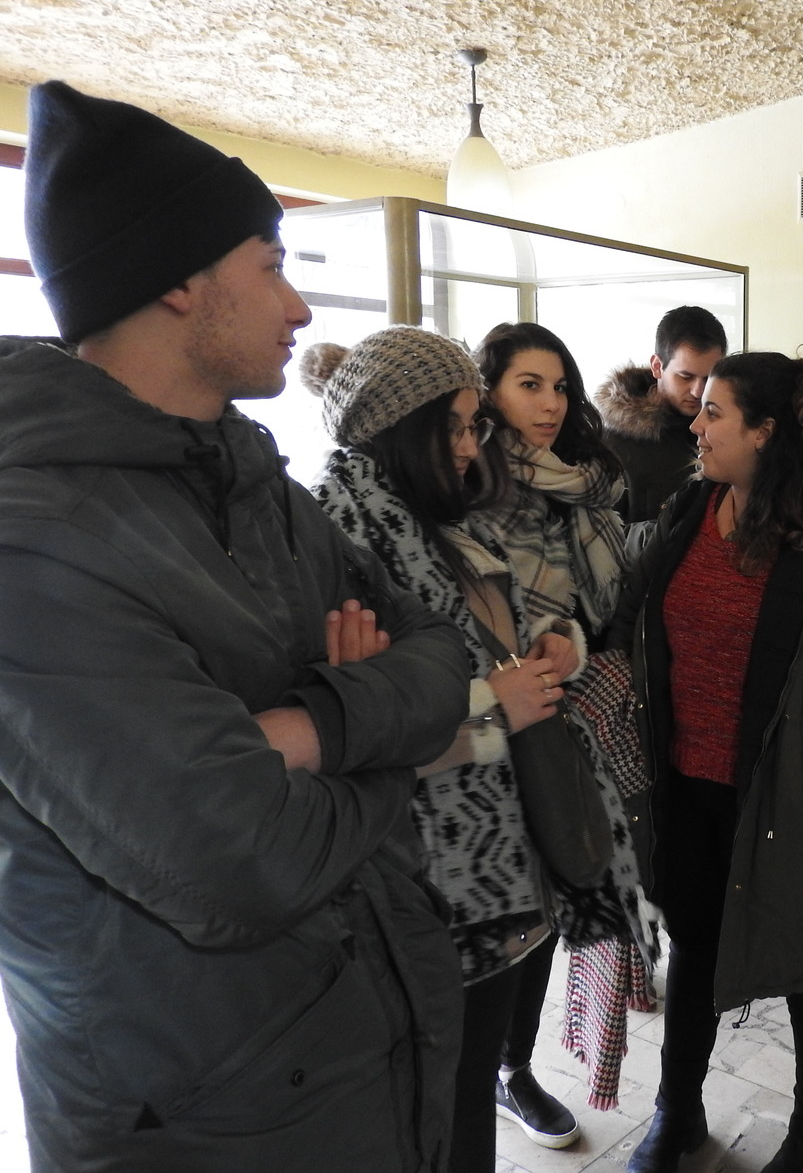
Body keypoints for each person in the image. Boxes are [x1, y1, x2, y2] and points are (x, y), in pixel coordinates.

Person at [0, 82, 469, 1171]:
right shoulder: (33, 541)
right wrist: (384, 743)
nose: (299, 311)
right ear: (177, 280)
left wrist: (305, 733)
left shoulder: (255, 484)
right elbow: (243, 861)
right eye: (271, 265)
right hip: (204, 1116)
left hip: (360, 1047)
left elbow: (442, 656)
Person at [607, 348, 803, 1173]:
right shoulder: (693, 507)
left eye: (715, 413)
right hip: (689, 784)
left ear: (765, 431)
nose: (696, 426)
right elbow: (636, 610)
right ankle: (677, 1114)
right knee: (695, 948)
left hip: (787, 795)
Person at [310, 326, 578, 1173]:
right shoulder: (337, 536)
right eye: (454, 427)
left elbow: (489, 638)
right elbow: (352, 730)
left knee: (463, 1098)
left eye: (473, 425)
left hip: (485, 869)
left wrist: (552, 645)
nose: (470, 447)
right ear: (400, 427)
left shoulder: (424, 518)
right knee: (435, 1107)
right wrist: (496, 707)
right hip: (423, 879)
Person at [472, 320, 631, 1144]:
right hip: (471, 730)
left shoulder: (577, 487)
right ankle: (479, 1072)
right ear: (488, 389)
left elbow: (586, 609)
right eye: (529, 385)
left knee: (548, 895)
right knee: (493, 905)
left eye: (560, 386)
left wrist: (567, 640)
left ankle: (514, 1067)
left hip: (552, 713)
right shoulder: (461, 478)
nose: (550, 403)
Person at [596, 304, 728, 524]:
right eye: (685, 377)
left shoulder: (731, 434)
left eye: (709, 378)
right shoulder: (612, 444)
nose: (698, 391)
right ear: (657, 366)